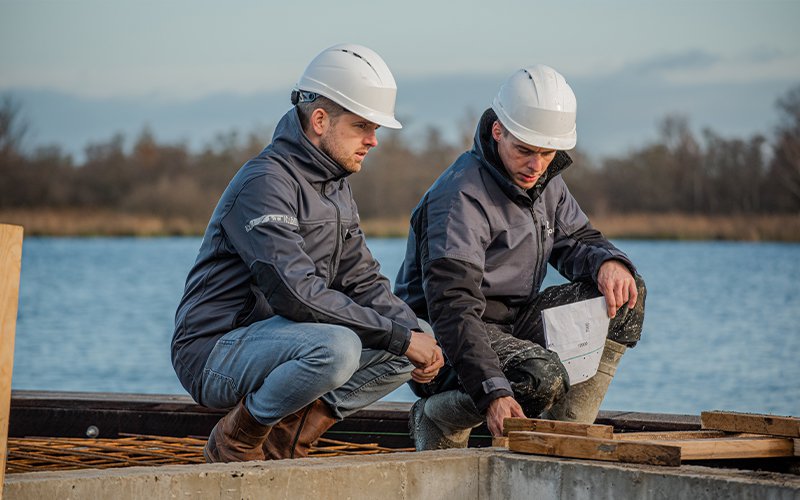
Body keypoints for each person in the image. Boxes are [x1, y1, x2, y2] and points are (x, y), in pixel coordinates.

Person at [171, 43, 443, 463]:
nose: (373, 140)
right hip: (214, 353)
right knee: (339, 347)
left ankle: (285, 440)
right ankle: (236, 439)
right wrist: (400, 338)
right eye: (362, 126)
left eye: (375, 129)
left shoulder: (336, 189)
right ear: (319, 120)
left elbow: (363, 281)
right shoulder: (265, 183)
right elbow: (295, 294)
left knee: (414, 335)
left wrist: (413, 335)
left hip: (285, 343)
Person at [394, 65, 646, 450]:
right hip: (445, 344)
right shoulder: (459, 199)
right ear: (498, 131)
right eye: (525, 150)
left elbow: (576, 239)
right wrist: (493, 392)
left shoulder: (545, 182)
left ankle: (565, 441)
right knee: (540, 377)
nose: (536, 165)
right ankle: (438, 416)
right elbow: (452, 308)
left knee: (627, 294)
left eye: (547, 153)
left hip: (514, 325)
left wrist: (607, 261)